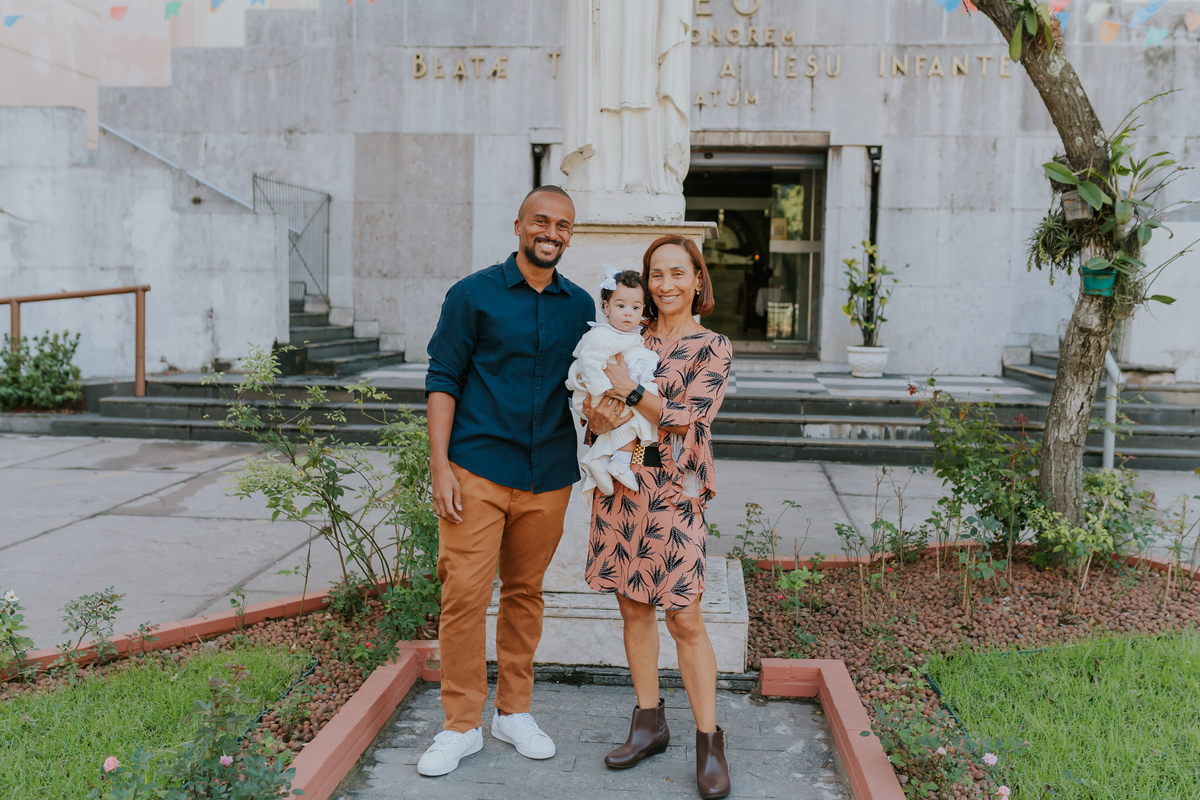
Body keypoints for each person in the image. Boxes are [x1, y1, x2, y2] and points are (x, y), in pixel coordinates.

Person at [418, 185, 594, 777]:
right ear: (518, 224)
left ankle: (512, 712)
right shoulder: (473, 295)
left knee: (525, 593)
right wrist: (440, 466)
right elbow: (442, 376)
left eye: (563, 225)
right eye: (541, 221)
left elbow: (593, 384)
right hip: (478, 468)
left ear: (571, 234)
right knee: (463, 595)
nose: (552, 232)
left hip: (548, 474)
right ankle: (460, 724)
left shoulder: (580, 307)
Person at [581, 235, 734, 799]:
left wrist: (632, 389)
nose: (665, 285)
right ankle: (648, 724)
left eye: (677, 273)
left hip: (677, 488)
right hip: (624, 481)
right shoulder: (626, 335)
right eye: (655, 275)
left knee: (684, 616)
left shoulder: (711, 346)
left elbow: (688, 419)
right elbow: (604, 417)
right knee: (632, 607)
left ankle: (708, 739)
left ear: (697, 279)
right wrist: (595, 413)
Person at [566, 266, 659, 496]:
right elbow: (589, 360)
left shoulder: (629, 335)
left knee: (636, 410)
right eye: (620, 306)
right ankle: (618, 460)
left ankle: (605, 460)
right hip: (596, 394)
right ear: (606, 307)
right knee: (640, 404)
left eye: (635, 307)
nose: (628, 313)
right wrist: (605, 389)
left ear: (643, 309)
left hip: (610, 392)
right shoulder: (602, 334)